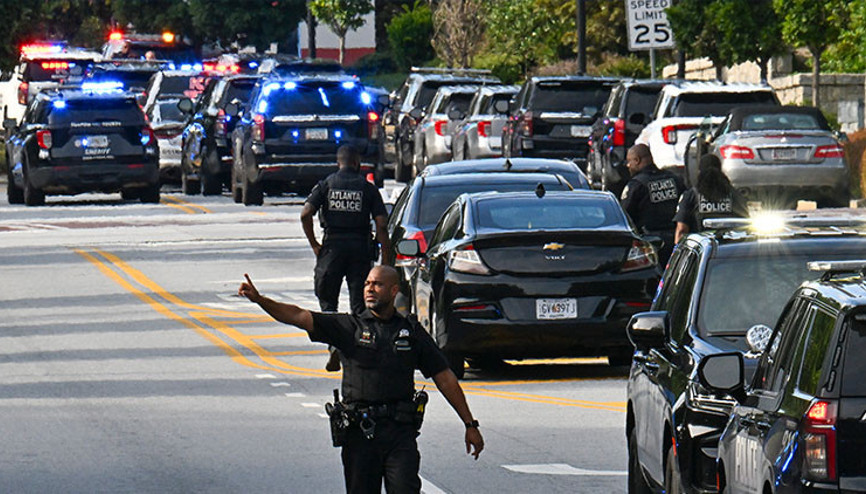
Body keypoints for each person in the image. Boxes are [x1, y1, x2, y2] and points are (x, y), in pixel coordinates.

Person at [238, 266, 484, 493]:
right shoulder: (348, 326)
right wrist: (260, 300)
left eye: (377, 284)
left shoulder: (411, 332)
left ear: (394, 290)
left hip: (400, 433)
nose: (369, 288)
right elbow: (298, 316)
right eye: (367, 283)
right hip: (360, 433)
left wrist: (469, 424)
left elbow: (446, 379)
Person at [302, 145, 392, 371]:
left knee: (327, 300)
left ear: (338, 162)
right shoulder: (368, 188)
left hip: (332, 248)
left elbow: (305, 214)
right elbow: (381, 224)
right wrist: (386, 261)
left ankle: (334, 344)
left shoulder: (327, 184)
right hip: (360, 248)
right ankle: (360, 347)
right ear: (357, 163)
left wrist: (314, 244)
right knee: (360, 303)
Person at [620, 143, 686, 266]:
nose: (628, 166)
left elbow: (625, 216)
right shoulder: (674, 179)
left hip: (650, 244)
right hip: (678, 241)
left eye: (629, 161)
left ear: (637, 160)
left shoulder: (636, 185)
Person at [674, 154, 749, 244]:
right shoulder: (735, 195)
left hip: (701, 251)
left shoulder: (691, 195)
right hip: (731, 250)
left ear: (699, 171)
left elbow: (681, 230)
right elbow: (746, 226)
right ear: (721, 170)